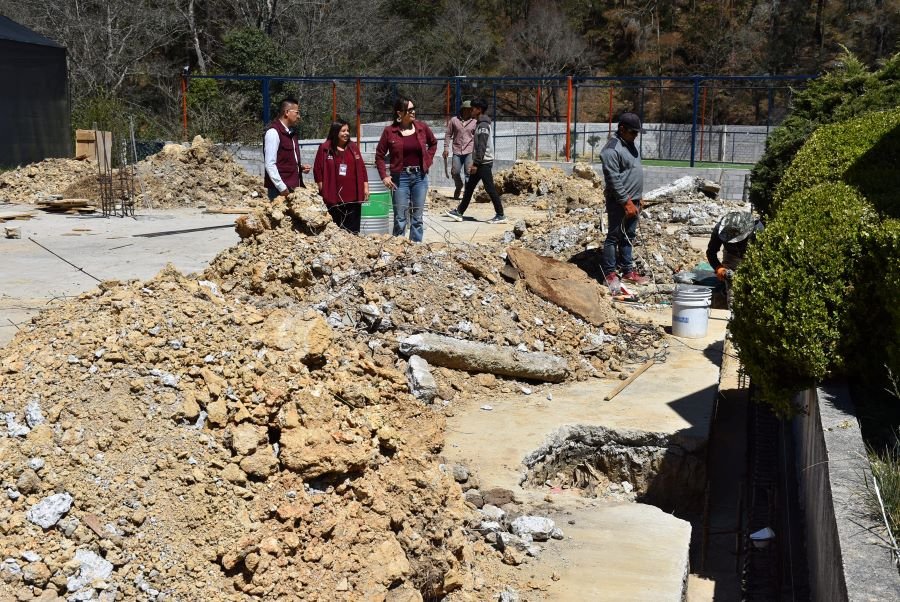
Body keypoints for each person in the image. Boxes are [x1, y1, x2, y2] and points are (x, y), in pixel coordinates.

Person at [375, 96, 438, 242]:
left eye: (413, 108)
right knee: (400, 217)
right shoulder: (390, 132)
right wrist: (384, 176)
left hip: (420, 177)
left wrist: (427, 161)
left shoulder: (422, 128)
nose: (413, 112)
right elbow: (379, 155)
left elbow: (433, 144)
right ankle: (399, 247)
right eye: (409, 110)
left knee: (417, 217)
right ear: (399, 113)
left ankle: (415, 248)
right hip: (399, 178)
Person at [599, 112, 648, 288]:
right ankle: (610, 274)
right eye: (633, 132)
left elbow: (632, 171)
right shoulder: (611, 149)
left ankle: (628, 271)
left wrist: (638, 197)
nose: (635, 136)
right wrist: (626, 202)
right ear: (622, 129)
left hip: (633, 200)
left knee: (629, 236)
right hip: (619, 202)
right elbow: (613, 179)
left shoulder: (630, 145)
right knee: (614, 236)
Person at [444, 98, 506, 225]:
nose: (471, 111)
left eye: (473, 108)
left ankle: (500, 215)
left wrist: (476, 163)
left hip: (484, 163)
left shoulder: (482, 125)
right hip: (480, 162)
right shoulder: (480, 123)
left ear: (479, 110)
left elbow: (482, 147)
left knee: (490, 189)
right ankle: (459, 212)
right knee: (470, 188)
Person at [313, 119, 369, 234]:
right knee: (336, 230)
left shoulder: (353, 147)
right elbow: (317, 170)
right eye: (343, 130)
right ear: (335, 132)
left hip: (353, 197)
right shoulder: (325, 148)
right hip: (334, 198)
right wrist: (322, 188)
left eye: (348, 130)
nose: (346, 133)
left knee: (353, 231)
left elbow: (362, 168)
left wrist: (365, 187)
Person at [263, 97, 311, 201]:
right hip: (280, 190)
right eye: (297, 112)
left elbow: (285, 160)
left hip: (293, 187)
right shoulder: (273, 132)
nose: (298, 116)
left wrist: (300, 167)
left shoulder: (291, 133)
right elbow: (270, 164)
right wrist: (282, 187)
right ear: (287, 112)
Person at [706, 211, 763, 280]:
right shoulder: (719, 229)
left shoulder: (758, 230)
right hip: (731, 255)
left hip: (752, 255)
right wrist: (720, 269)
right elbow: (711, 252)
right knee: (730, 285)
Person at [443, 100, 476, 199]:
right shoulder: (454, 120)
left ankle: (467, 194)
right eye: (467, 109)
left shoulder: (474, 122)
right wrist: (446, 148)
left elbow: (477, 137)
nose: (469, 111)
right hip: (457, 150)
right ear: (463, 109)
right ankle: (459, 186)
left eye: (471, 110)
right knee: (455, 172)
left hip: (469, 151)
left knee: (468, 173)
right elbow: (448, 134)